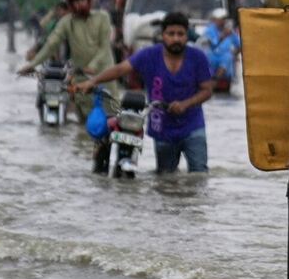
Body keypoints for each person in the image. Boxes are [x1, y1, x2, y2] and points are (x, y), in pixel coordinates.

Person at [75, 11, 213, 173]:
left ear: (187, 36)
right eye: (171, 34)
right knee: (165, 178)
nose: (176, 38)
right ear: (163, 35)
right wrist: (93, 81)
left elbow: (207, 90)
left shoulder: (198, 58)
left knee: (199, 174)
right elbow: (121, 69)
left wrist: (185, 104)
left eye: (180, 34)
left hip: (193, 126)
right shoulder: (149, 55)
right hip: (162, 128)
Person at [18, 0, 118, 121]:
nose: (80, 5)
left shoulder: (103, 17)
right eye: (75, 2)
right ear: (70, 4)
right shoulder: (66, 22)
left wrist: (92, 66)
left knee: (111, 119)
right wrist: (32, 64)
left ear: (89, 0)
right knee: (84, 123)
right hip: (81, 79)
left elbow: (104, 47)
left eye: (83, 0)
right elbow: (51, 44)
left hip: (105, 77)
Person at [200, 7, 241, 86]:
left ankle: (215, 80)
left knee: (228, 57)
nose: (223, 21)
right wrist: (223, 36)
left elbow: (239, 45)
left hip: (225, 56)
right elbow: (211, 43)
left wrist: (235, 53)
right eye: (221, 19)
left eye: (224, 19)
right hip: (212, 54)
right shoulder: (209, 30)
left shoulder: (230, 31)